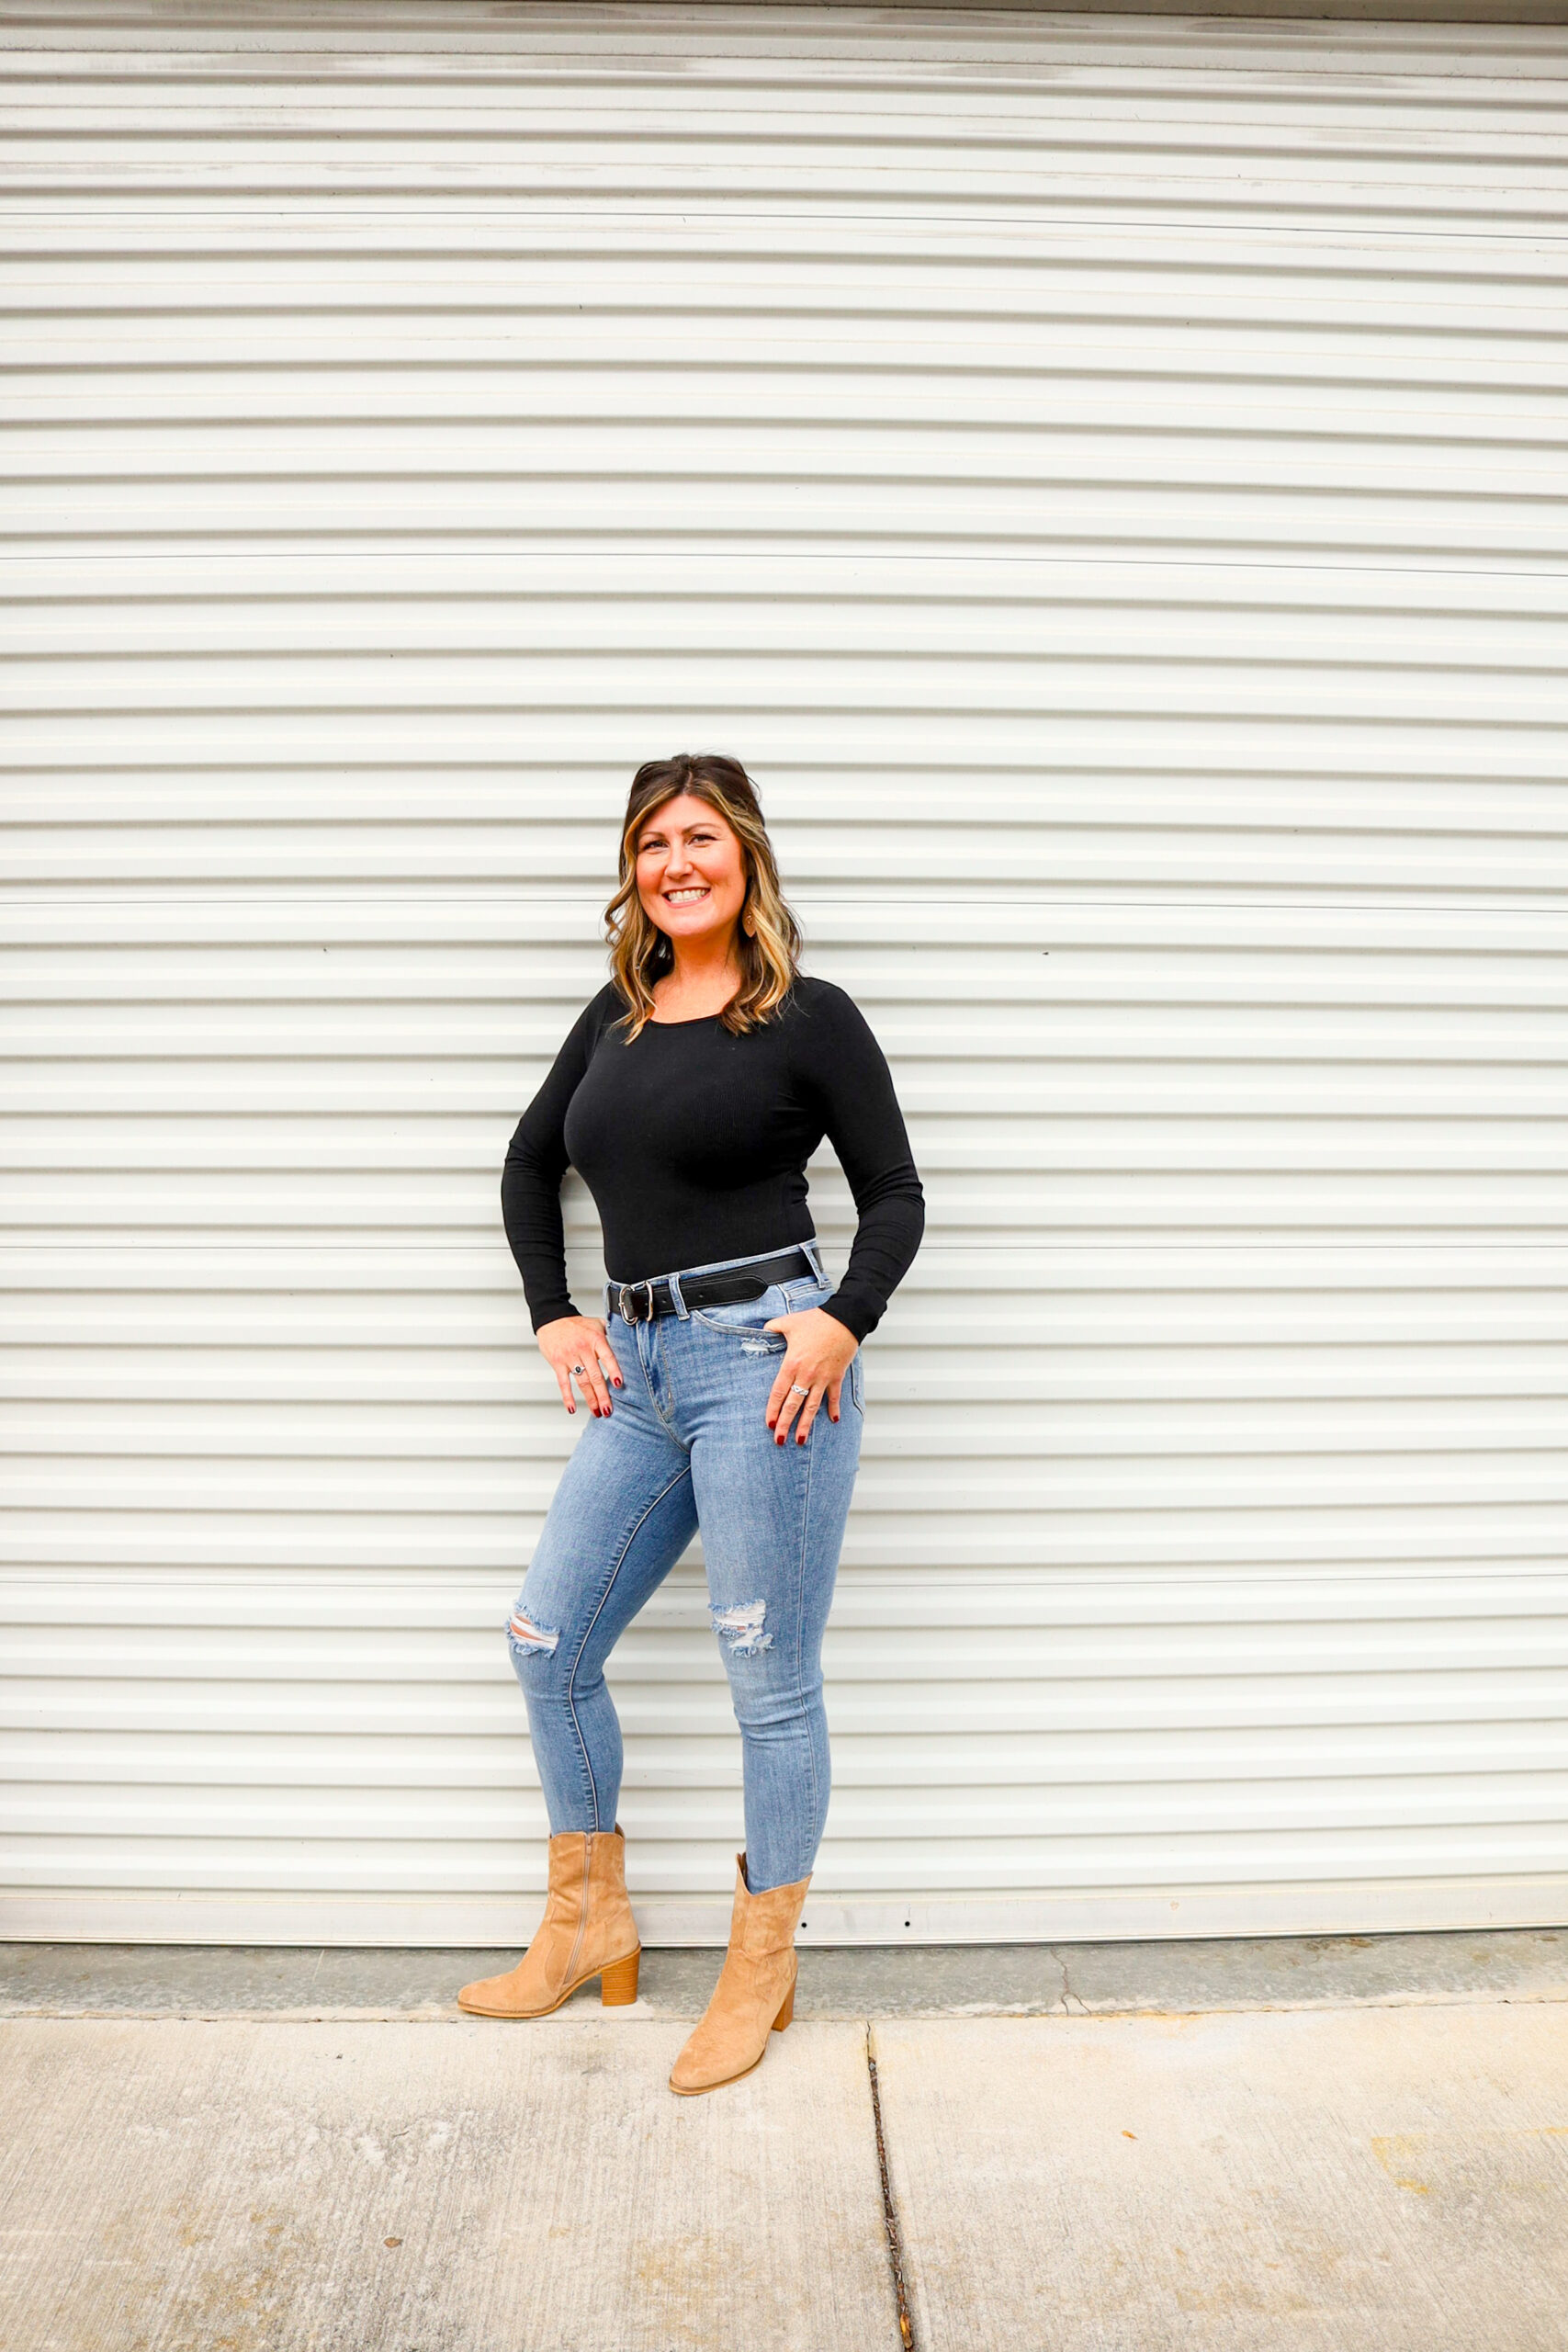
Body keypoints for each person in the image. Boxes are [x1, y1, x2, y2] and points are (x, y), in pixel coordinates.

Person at [457, 752, 924, 2095]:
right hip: (640, 1372)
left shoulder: (809, 1017)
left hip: (766, 1369)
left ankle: (760, 1969)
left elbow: (896, 1194)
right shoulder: (615, 1018)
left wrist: (843, 1319)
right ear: (634, 872)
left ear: (747, 859)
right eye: (654, 842)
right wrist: (555, 1315)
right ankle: (586, 1923)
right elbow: (528, 1162)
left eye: (701, 838)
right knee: (547, 1643)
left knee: (768, 1681)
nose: (678, 862)